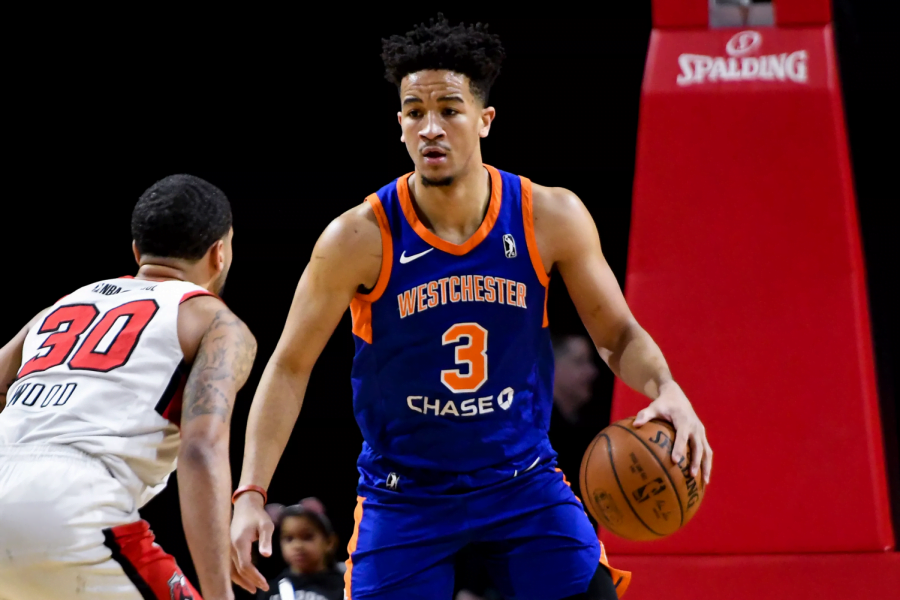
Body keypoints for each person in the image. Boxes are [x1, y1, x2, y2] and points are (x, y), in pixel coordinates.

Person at [230, 15, 712, 600]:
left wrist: (666, 386)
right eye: (414, 111)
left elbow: (616, 331)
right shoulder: (358, 238)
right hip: (404, 493)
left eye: (449, 109)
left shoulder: (548, 216)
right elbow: (289, 366)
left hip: (521, 484)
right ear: (400, 126)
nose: (431, 127)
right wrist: (251, 492)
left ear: (484, 120)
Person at [0, 174, 257, 600]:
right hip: (72, 503)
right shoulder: (217, 323)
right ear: (220, 253)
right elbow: (201, 449)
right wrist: (219, 592)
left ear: (137, 251)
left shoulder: (62, 305)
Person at [548, 334, 603, 500]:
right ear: (552, 365)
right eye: (580, 361)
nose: (593, 372)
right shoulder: (535, 430)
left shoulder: (588, 430)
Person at [256, 498, 344, 600]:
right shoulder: (270, 589)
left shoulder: (344, 586)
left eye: (307, 537)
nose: (297, 546)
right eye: (289, 539)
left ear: (329, 542)